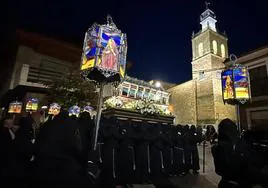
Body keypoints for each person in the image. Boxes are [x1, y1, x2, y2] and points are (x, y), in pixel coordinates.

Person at [212, 118, 267, 188]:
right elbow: (230, 168)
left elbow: (250, 159)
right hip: (233, 184)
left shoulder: (240, 142)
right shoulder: (220, 148)